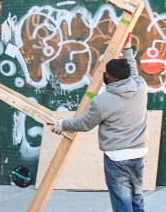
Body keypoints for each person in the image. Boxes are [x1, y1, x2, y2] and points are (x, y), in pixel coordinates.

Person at [49, 35, 148, 212]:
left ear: (113, 78)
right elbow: (133, 71)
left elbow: (84, 124)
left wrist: (62, 124)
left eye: (107, 74)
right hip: (138, 154)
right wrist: (127, 49)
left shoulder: (103, 101)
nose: (105, 75)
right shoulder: (141, 87)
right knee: (137, 199)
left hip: (117, 158)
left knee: (123, 204)